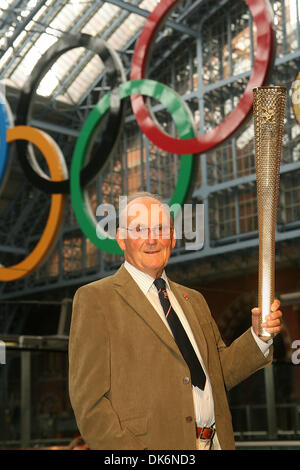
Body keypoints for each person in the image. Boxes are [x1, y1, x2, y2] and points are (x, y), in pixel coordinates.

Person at [68, 192, 282, 450]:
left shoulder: (194, 300)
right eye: (139, 229)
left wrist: (258, 337)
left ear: (171, 237)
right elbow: (90, 405)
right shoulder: (96, 299)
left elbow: (218, 372)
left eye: (160, 228)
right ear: (121, 239)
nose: (152, 238)